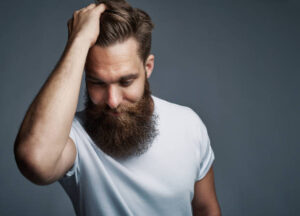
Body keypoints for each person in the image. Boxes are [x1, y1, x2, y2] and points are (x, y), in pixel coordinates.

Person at [14, 0, 221, 215]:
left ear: (148, 67)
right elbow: (34, 159)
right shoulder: (74, 137)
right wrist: (79, 41)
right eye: (98, 82)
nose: (112, 101)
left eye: (125, 82)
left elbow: (206, 208)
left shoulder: (189, 125)